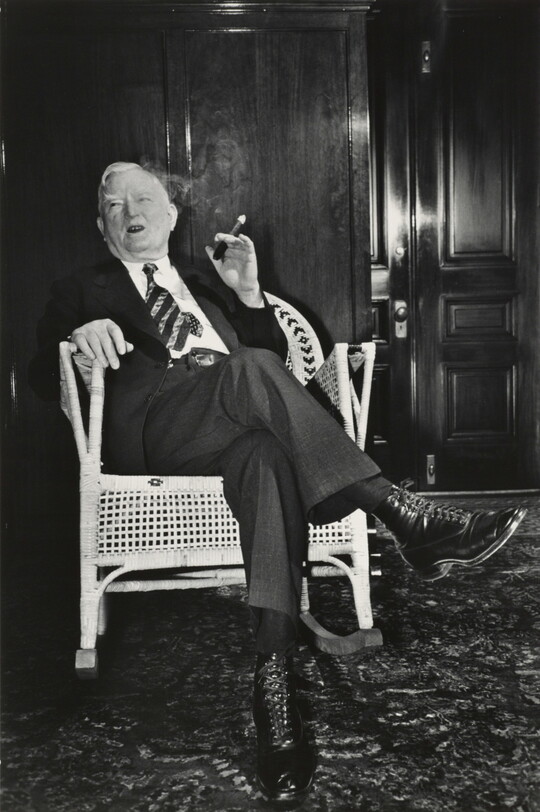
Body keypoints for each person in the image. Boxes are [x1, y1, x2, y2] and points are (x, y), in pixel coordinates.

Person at [29, 162, 527, 804]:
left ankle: (273, 681)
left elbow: (273, 365)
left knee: (265, 454)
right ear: (103, 229)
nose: (132, 211)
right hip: (154, 431)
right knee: (251, 372)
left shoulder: (206, 285)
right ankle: (397, 512)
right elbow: (44, 373)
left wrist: (251, 295)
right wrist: (78, 334)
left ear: (172, 215)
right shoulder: (80, 288)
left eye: (145, 198)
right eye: (115, 205)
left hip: (234, 427)